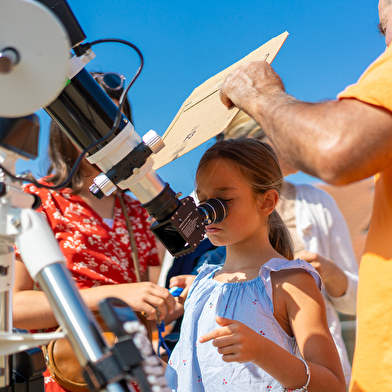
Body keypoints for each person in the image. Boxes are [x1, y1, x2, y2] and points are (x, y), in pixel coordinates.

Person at [218, 2, 392, 391]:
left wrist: (261, 95)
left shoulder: (317, 203)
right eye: (382, 33)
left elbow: (334, 148)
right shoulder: (215, 213)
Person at [12, 72, 177, 392]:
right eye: (91, 125)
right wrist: (110, 297)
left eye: (114, 126)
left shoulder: (140, 211)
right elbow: (14, 308)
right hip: (68, 376)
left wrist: (168, 303)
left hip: (134, 374)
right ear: (63, 128)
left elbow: (143, 308)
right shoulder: (37, 200)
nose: (103, 138)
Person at [165, 138, 346, 391]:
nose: (206, 212)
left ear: (266, 202)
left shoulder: (291, 283)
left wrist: (263, 352)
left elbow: (333, 384)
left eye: (223, 200)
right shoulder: (202, 284)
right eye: (202, 199)